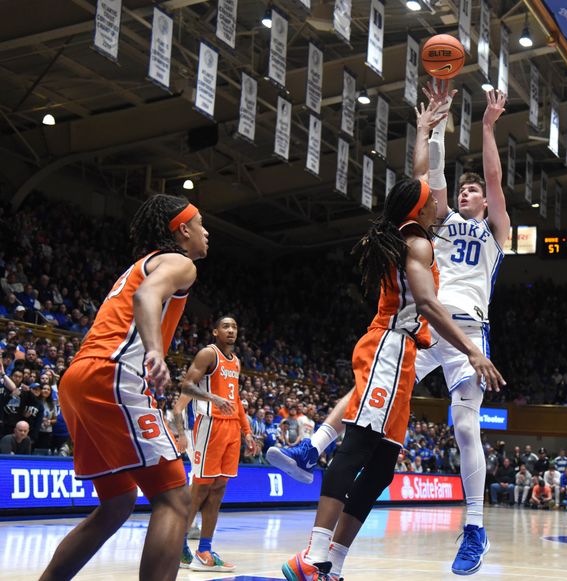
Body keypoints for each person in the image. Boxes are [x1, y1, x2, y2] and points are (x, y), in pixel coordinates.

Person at [273, 84, 509, 576]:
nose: (466, 192)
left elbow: (492, 175)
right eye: (460, 190)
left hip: (468, 332)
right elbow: (425, 178)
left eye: (474, 191)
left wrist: (487, 126)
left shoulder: (495, 232)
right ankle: (310, 448)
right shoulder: (434, 224)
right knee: (365, 395)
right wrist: (430, 130)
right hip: (425, 326)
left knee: (465, 426)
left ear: (485, 202)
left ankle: (475, 528)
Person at [39, 194, 228, 581]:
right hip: (113, 375)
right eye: (201, 224)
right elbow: (146, 297)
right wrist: (155, 351)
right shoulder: (180, 262)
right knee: (176, 499)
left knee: (117, 503)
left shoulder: (138, 266)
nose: (206, 232)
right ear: (183, 230)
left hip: (78, 379)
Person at [171, 316, 255, 572]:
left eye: (235, 327)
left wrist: (247, 432)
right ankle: (177, 547)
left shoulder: (236, 362)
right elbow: (185, 384)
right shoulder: (208, 354)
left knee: (218, 490)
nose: (231, 330)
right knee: (200, 490)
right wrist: (212, 397)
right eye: (226, 327)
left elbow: (237, 400)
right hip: (210, 425)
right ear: (215, 331)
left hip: (231, 429)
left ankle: (204, 549)